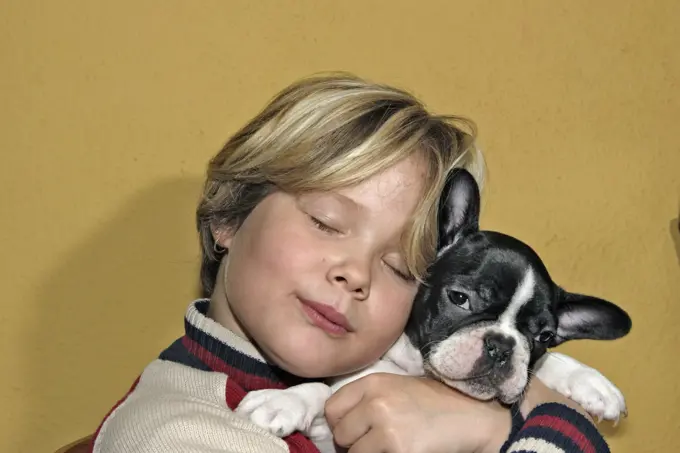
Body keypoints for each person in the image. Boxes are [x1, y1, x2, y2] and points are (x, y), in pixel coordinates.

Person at [89, 73, 612, 453]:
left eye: (404, 268)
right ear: (230, 217)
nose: (356, 274)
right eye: (326, 221)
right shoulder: (188, 437)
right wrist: (509, 428)